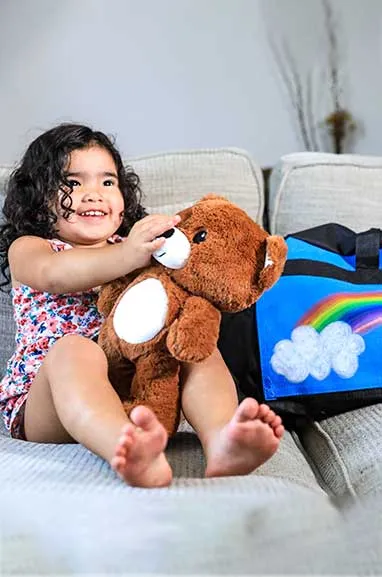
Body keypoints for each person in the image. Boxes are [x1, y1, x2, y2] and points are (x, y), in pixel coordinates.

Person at [0, 123, 284, 487]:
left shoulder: (137, 248)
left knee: (193, 344)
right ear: (38, 198)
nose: (93, 194)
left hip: (137, 388)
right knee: (75, 350)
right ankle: (125, 446)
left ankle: (223, 440)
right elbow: (55, 274)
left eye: (107, 182)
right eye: (72, 182)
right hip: (50, 402)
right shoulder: (32, 248)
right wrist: (129, 254)